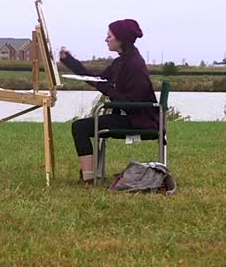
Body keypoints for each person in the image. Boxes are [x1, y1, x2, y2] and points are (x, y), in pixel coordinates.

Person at [60, 19, 157, 184]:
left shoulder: (134, 65)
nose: (106, 39)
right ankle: (89, 175)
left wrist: (106, 88)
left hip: (138, 120)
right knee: (81, 126)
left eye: (109, 36)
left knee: (80, 127)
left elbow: (132, 102)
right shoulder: (122, 60)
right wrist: (69, 61)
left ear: (121, 39)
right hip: (128, 116)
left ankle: (88, 178)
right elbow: (97, 78)